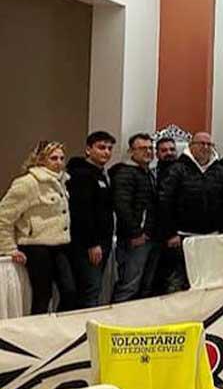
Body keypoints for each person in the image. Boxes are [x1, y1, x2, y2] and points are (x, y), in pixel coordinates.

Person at [0, 141, 76, 313]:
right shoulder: (28, 183)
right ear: (41, 159)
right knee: (42, 295)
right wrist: (9, 248)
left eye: (62, 158)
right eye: (53, 158)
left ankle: (58, 324)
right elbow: (4, 216)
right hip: (36, 246)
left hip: (59, 244)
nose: (59, 162)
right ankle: (36, 327)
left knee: (69, 291)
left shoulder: (62, 181)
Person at [158, 131, 223, 292]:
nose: (205, 147)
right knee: (178, 281)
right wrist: (170, 232)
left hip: (213, 237)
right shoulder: (177, 169)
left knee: (210, 280)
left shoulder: (220, 171)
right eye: (201, 143)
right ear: (191, 146)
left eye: (209, 144)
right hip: (182, 237)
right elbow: (164, 201)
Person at [67, 130, 115, 308]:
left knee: (93, 288)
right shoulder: (81, 174)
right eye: (101, 147)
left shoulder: (101, 173)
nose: (106, 152)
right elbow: (81, 212)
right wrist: (92, 243)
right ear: (88, 149)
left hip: (103, 240)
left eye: (109, 148)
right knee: (89, 289)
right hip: (87, 243)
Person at [110, 133, 159, 302]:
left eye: (150, 148)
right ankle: (117, 317)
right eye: (143, 148)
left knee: (144, 285)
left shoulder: (148, 173)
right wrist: (135, 233)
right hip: (135, 239)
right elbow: (122, 206)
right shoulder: (125, 173)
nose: (148, 152)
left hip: (149, 236)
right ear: (131, 151)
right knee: (129, 285)